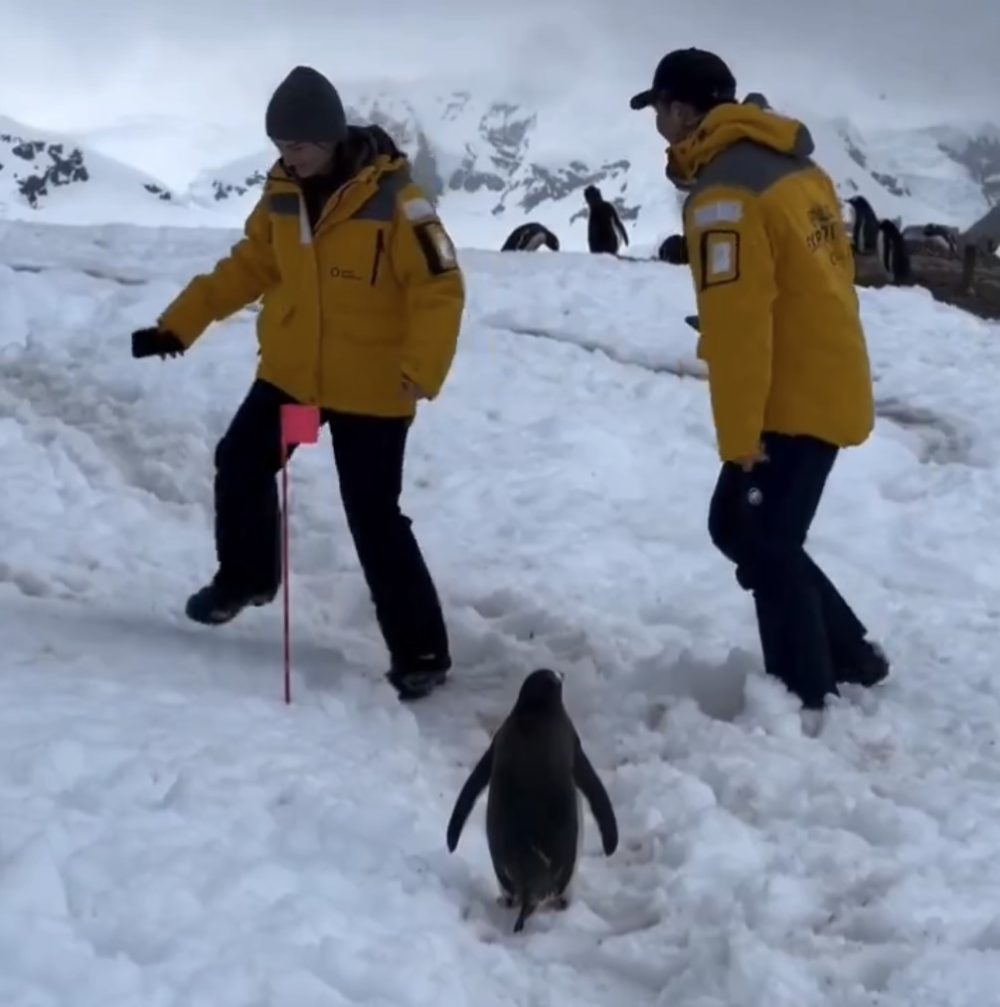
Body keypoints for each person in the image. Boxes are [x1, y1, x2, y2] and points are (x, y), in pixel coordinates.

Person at [130, 65, 466, 700]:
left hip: (373, 389)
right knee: (242, 459)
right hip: (298, 382)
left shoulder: (397, 201)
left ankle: (422, 650)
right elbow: (248, 267)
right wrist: (179, 326)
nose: (292, 157)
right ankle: (247, 577)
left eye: (302, 146)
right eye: (282, 146)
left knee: (373, 515)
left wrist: (421, 371)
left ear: (332, 137)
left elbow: (439, 285)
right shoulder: (281, 194)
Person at [630, 48, 889, 717]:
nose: (657, 122)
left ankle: (807, 696)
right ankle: (852, 653)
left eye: (658, 108)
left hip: (789, 395)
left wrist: (741, 438)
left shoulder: (724, 196)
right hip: (826, 372)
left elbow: (744, 329)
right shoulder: (793, 165)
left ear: (683, 111)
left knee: (761, 536)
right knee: (747, 526)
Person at [583, 185, 630, 255]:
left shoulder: (593, 212)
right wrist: (625, 236)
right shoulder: (607, 206)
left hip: (598, 249)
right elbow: (618, 223)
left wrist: (592, 253)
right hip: (612, 246)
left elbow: (591, 236)